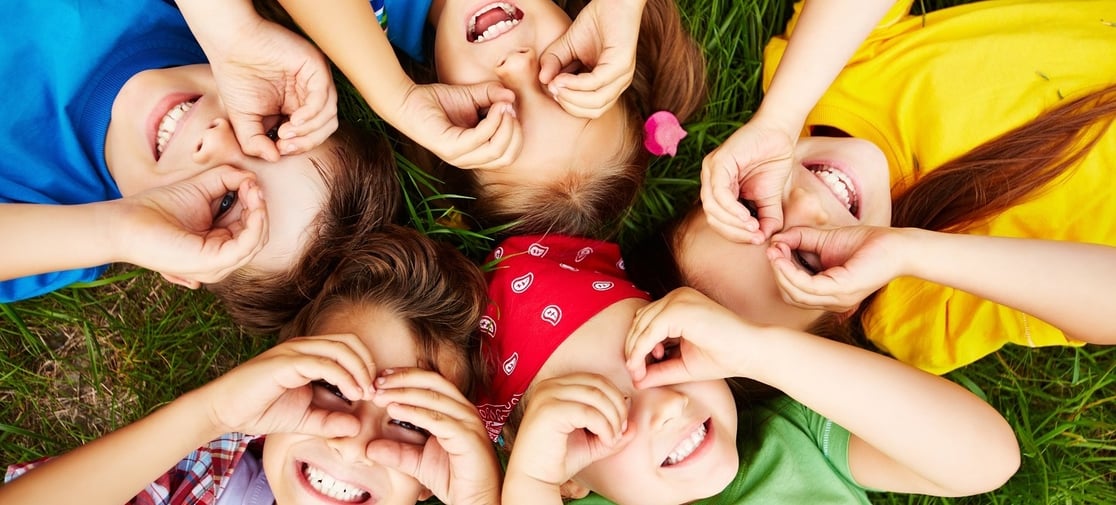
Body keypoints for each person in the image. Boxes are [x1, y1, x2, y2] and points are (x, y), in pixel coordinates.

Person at [628, 0, 1116, 374]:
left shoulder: (818, 78)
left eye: (753, 209)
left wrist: (779, 116)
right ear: (842, 313)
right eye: (805, 257)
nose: (803, 203)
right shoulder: (920, 309)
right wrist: (906, 252)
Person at [476, 234, 1018, 505]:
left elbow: (987, 458)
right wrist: (531, 480)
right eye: (596, 416)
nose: (665, 404)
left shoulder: (796, 435)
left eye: (661, 354)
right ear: (569, 480)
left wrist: (760, 351)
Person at [2, 226, 499, 505]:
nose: (356, 443)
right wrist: (215, 413)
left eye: (413, 422)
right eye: (332, 384)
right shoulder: (198, 473)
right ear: (280, 376)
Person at [0, 0, 400, 328]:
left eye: (225, 201)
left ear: (173, 263)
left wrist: (118, 232)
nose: (217, 136)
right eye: (270, 132)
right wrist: (231, 29)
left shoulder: (56, 225)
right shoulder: (207, 21)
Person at [270, 0, 706, 237]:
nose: (517, 64)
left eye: (491, 111)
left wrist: (396, 98)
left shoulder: (361, 24)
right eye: (568, 74)